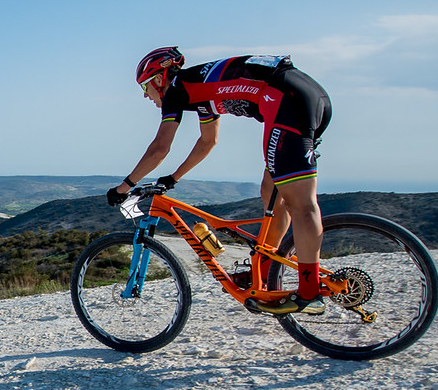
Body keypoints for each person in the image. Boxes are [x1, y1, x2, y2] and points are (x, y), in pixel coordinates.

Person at [106, 47, 332, 315]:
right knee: (272, 193)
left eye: (145, 86)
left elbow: (159, 148)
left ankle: (310, 292)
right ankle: (268, 268)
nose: (145, 95)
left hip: (285, 101)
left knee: (301, 204)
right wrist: (174, 177)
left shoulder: (177, 88)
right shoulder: (199, 90)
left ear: (159, 78)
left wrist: (124, 187)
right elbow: (208, 140)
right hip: (308, 97)